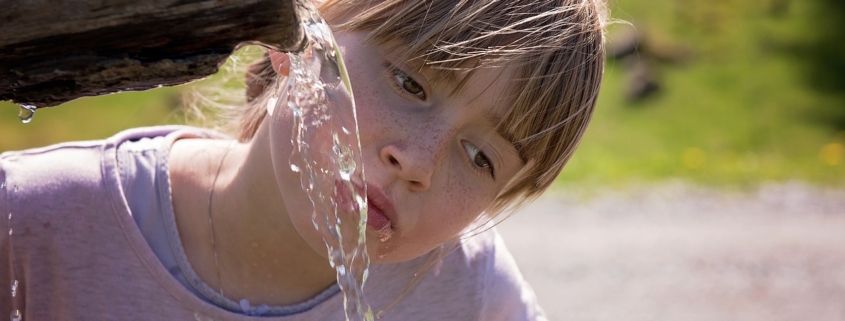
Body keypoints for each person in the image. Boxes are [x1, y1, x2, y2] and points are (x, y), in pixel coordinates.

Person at [0, 0, 608, 320]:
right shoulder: (34, 225)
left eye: (479, 157)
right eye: (409, 83)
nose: (417, 162)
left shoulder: (463, 288)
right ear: (300, 31)